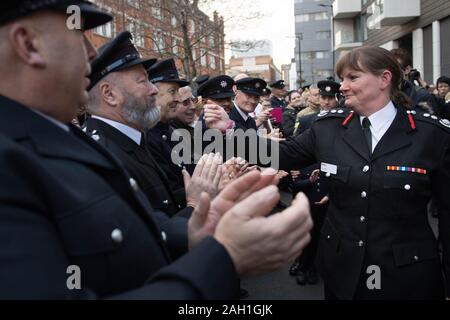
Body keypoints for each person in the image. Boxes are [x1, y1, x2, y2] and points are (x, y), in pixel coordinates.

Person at [0, 1, 314, 299]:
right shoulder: (12, 161)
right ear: (28, 44)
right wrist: (223, 260)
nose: (91, 50)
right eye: (78, 34)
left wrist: (194, 228)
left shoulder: (58, 136)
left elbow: (138, 231)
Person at [276, 46, 450, 300]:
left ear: (384, 79)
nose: (343, 86)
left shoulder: (430, 135)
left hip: (406, 277)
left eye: (352, 77)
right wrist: (219, 137)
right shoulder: (327, 128)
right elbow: (282, 154)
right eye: (342, 79)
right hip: (343, 272)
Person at [85, 31, 216, 223]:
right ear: (110, 94)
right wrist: (195, 204)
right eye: (143, 81)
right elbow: (150, 238)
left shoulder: (133, 139)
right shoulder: (102, 156)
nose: (153, 89)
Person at [145, 58, 190, 205]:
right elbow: (169, 195)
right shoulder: (147, 137)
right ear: (152, 93)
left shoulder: (172, 130)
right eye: (173, 91)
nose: (178, 98)